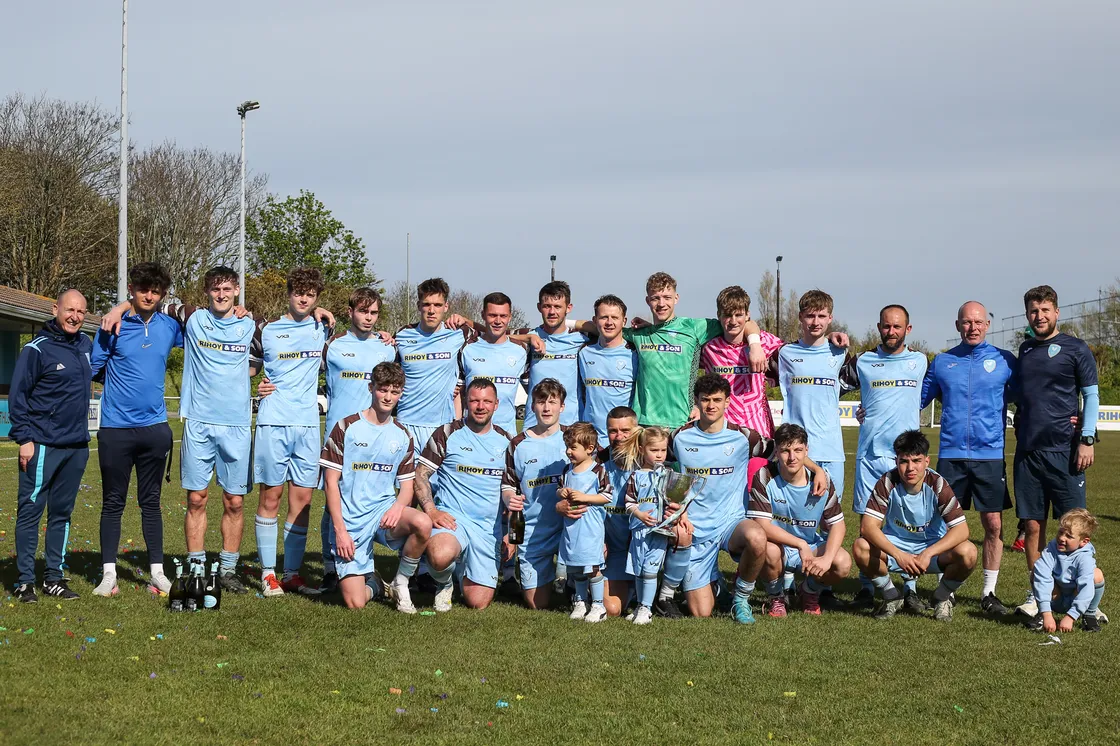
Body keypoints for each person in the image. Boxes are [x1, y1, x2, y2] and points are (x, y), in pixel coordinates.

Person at [669, 375, 828, 622]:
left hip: (731, 522)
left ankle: (740, 599)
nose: (711, 405)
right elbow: (667, 470)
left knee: (757, 536)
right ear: (697, 402)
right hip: (696, 528)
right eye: (705, 400)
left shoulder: (744, 437)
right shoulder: (679, 437)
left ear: (727, 402)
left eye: (717, 400)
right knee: (701, 612)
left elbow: (782, 449)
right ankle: (716, 585)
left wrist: (816, 469)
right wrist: (677, 509)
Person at [91, 262, 183, 596]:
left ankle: (157, 573)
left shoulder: (170, 327)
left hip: (154, 430)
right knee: (112, 502)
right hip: (115, 429)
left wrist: (240, 311)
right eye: (143, 289)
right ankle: (109, 575)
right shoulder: (111, 325)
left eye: (155, 291)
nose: (149, 296)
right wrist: (119, 310)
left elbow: (207, 330)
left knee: (152, 502)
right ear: (131, 289)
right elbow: (94, 368)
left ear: (163, 294)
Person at [921, 300, 1017, 616]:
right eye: (966, 322)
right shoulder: (942, 362)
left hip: (990, 455)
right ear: (957, 325)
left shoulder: (1005, 361)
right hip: (951, 454)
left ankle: (989, 593)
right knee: (942, 523)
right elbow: (914, 399)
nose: (972, 327)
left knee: (993, 524)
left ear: (987, 325)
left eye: (978, 322)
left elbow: (1031, 396)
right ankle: (944, 590)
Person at [171, 267, 262, 594]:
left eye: (226, 289)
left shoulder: (252, 325)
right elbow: (150, 301)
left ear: (236, 290)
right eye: (215, 289)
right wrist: (119, 309)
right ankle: (196, 569)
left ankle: (227, 570)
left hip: (236, 425)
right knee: (196, 498)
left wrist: (323, 315)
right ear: (207, 292)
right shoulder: (192, 318)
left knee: (234, 502)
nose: (221, 294)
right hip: (198, 422)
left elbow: (283, 339)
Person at [1012, 285, 1099, 618]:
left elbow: (1091, 396)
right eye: (1034, 311)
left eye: (1045, 310)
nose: (1039, 316)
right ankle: (1038, 594)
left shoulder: (1076, 348)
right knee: (1033, 527)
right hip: (1028, 453)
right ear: (1027, 314)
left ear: (1056, 312)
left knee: (1075, 528)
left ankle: (1084, 600)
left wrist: (1086, 438)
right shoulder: (1025, 350)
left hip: (1065, 452)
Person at [321, 362, 433, 613]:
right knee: (355, 603)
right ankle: (377, 584)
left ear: (401, 393)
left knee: (423, 523)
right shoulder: (346, 427)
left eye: (395, 391)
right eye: (383, 390)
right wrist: (340, 531)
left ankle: (400, 582)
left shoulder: (403, 434)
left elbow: (406, 487)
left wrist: (397, 508)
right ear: (371, 388)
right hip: (351, 520)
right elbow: (330, 483)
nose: (388, 397)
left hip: (383, 513)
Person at [252, 267, 334, 597]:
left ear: (317, 298)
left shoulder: (323, 327)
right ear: (288, 293)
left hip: (308, 426)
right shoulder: (266, 329)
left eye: (310, 295)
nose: (303, 299)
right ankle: (268, 574)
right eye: (298, 292)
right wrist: (256, 386)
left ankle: (292, 575)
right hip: (273, 422)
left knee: (303, 502)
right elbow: (247, 367)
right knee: (270, 496)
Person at [841, 305, 928, 607]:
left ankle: (910, 588)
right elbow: (830, 386)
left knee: (907, 522)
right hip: (870, 456)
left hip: (907, 458)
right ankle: (869, 587)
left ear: (908, 329)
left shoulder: (920, 362)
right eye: (886, 326)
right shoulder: (863, 361)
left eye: (897, 326)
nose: (892, 332)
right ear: (879, 327)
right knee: (868, 523)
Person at [10, 290, 93, 602]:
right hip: (43, 444)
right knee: (31, 511)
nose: (75, 316)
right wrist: (25, 439)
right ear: (55, 309)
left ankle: (53, 578)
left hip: (77, 446)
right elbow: (18, 396)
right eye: (69, 310)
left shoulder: (86, 345)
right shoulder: (36, 349)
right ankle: (24, 582)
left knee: (62, 513)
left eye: (81, 312)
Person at [770, 289, 849, 606]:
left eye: (821, 316)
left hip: (832, 451)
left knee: (829, 521)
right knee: (790, 518)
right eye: (809, 316)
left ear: (830, 318)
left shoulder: (840, 354)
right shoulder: (785, 354)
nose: (815, 322)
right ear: (800, 318)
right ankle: (787, 585)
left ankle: (818, 587)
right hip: (795, 450)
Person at [318, 287, 396, 593]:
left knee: (371, 500)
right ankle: (329, 567)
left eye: (374, 312)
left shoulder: (387, 348)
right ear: (350, 312)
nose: (369, 318)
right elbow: (297, 369)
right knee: (333, 503)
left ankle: (365, 564)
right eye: (363, 311)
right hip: (339, 438)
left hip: (376, 439)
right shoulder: (332, 345)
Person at [853, 430, 977, 622]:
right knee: (861, 546)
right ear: (896, 461)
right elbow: (868, 527)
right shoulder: (887, 482)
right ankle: (891, 596)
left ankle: (941, 597)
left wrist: (927, 554)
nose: (910, 468)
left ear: (926, 461)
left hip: (930, 550)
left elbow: (962, 530)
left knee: (968, 552)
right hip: (896, 547)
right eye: (904, 461)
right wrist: (899, 555)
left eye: (916, 461)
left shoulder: (938, 484)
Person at [414, 379, 513, 611]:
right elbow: (420, 474)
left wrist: (513, 536)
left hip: (488, 530)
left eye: (487, 401)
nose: (481, 406)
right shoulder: (447, 433)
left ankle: (462, 568)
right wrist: (431, 510)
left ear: (496, 404)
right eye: (475, 401)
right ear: (466, 402)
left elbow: (517, 495)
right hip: (453, 520)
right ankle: (445, 582)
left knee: (478, 602)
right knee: (440, 555)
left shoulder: (507, 442)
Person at [624, 272, 763, 429]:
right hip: (645, 423)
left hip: (683, 421)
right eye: (655, 298)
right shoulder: (639, 334)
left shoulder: (694, 328)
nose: (661, 303)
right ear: (647, 301)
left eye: (667, 297)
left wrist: (755, 345)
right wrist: (650, 328)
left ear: (676, 298)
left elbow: (744, 323)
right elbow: (606, 330)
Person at [749, 423, 850, 616]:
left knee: (842, 562)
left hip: (810, 547)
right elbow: (762, 525)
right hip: (777, 546)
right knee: (766, 549)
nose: (792, 457)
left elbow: (838, 524)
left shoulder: (821, 481)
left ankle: (809, 590)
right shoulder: (764, 476)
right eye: (785, 451)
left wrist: (827, 559)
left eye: (798, 450)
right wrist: (800, 544)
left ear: (806, 451)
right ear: (776, 452)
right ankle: (777, 597)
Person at [502, 379, 570, 610]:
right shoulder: (518, 444)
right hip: (534, 532)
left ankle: (574, 582)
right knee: (536, 603)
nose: (547, 408)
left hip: (570, 528)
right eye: (541, 402)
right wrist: (514, 535)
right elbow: (510, 489)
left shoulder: (573, 438)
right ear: (532, 406)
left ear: (562, 406)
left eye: (553, 402)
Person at [617, 426, 692, 625]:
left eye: (663, 450)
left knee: (650, 571)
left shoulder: (669, 474)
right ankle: (640, 605)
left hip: (658, 532)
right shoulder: (635, 476)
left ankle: (646, 608)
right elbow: (629, 503)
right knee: (639, 571)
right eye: (654, 450)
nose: (659, 455)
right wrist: (639, 514)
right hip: (638, 532)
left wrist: (683, 516)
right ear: (642, 450)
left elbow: (679, 501)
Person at [395, 278, 478, 454]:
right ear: (418, 305)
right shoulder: (402, 335)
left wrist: (466, 320)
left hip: (441, 426)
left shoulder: (458, 334)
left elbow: (496, 332)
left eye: (438, 305)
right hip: (406, 424)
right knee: (405, 473)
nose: (432, 311)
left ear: (446, 307)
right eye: (427, 304)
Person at [701, 285, 784, 436]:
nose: (733, 321)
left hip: (758, 429)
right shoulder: (709, 347)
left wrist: (827, 339)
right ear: (719, 315)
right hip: (722, 429)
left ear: (747, 315)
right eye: (728, 315)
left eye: (738, 315)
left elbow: (799, 351)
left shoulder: (765, 342)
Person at [556, 422, 613, 623]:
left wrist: (585, 497)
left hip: (590, 528)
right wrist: (561, 492)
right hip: (571, 528)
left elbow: (607, 496)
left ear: (589, 449)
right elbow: (559, 489)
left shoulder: (598, 471)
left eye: (573, 448)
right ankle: (580, 601)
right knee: (575, 567)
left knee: (592, 566)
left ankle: (598, 605)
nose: (568, 452)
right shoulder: (567, 470)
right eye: (567, 447)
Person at [517, 281, 588, 428]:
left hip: (570, 426)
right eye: (547, 306)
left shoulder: (580, 339)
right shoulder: (530, 337)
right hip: (534, 426)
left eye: (557, 307)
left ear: (569, 308)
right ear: (539, 307)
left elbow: (601, 327)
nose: (552, 312)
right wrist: (529, 337)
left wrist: (570, 322)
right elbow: (496, 336)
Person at [457, 291, 529, 435]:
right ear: (483, 315)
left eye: (503, 316)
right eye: (492, 315)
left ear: (510, 317)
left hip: (506, 435)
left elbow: (533, 391)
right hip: (470, 433)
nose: (498, 321)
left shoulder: (522, 351)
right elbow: (457, 392)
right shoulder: (467, 348)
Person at [1027, 508, 1106, 633]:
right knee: (1037, 571)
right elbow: (1043, 577)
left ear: (1083, 542)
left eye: (1069, 536)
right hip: (1055, 598)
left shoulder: (1085, 557)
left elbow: (1086, 588)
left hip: (1075, 598)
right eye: (1060, 532)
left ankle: (1089, 615)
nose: (1062, 538)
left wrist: (1071, 617)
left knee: (1096, 574)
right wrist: (1046, 613)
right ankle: (1041, 615)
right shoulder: (1051, 549)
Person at [577, 295, 637, 447]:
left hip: (624, 439)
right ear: (595, 320)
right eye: (604, 317)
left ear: (624, 321)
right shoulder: (584, 352)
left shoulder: (635, 354)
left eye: (615, 317)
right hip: (591, 439)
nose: (609, 322)